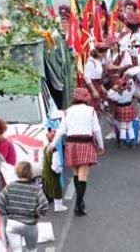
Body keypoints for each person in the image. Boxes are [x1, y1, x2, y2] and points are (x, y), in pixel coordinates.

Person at [55, 88, 104, 216]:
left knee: (76, 174)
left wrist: (52, 144)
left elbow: (61, 130)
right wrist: (101, 145)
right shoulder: (90, 111)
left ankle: (80, 203)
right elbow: (96, 130)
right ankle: (78, 204)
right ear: (86, 98)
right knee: (83, 176)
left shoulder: (68, 111)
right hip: (86, 143)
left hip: (71, 143)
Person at [0, 161, 48, 252]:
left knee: (16, 250)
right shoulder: (36, 188)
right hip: (30, 224)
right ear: (31, 172)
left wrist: (6, 213)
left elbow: (0, 203)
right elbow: (44, 204)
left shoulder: (9, 187)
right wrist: (38, 214)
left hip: (13, 224)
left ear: (17, 172)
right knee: (31, 249)